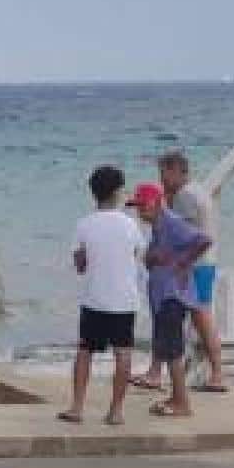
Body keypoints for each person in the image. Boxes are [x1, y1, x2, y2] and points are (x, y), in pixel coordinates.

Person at [64, 166, 142, 427]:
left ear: (93, 193)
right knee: (123, 353)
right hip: (124, 299)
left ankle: (77, 407)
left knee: (85, 351)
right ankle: (116, 411)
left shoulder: (84, 224)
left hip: (94, 297)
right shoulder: (130, 224)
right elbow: (136, 254)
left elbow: (80, 264)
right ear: (119, 192)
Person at [131, 182, 211, 419]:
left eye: (143, 206)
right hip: (164, 295)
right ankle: (176, 397)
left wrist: (184, 262)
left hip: (172, 295)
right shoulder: (158, 226)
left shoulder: (171, 222)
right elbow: (156, 256)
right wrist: (152, 258)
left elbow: (203, 240)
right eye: (137, 207)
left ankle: (182, 403)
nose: (139, 211)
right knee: (168, 349)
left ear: (157, 203)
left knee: (173, 350)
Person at [157, 150, 230, 393]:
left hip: (195, 265)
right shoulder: (197, 191)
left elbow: (184, 234)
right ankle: (164, 371)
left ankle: (217, 373)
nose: (162, 180)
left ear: (177, 171)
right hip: (204, 263)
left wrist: (180, 263)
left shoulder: (185, 196)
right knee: (196, 318)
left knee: (200, 319)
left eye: (164, 174)